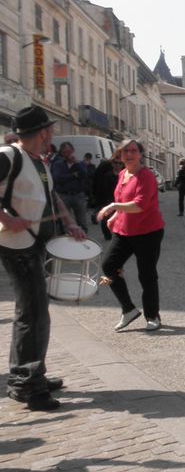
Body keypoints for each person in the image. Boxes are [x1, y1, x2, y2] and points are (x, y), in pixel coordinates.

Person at [1, 106, 86, 412]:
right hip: (17, 246)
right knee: (33, 313)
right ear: (40, 132)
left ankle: (30, 374)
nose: (52, 134)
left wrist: (70, 222)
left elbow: (52, 197)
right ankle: (28, 386)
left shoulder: (39, 161)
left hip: (34, 244)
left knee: (34, 311)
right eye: (48, 130)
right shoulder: (9, 156)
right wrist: (6, 219)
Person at [97, 139, 166, 332]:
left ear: (140, 154)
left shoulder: (146, 176)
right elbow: (123, 201)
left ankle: (152, 316)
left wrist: (113, 207)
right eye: (125, 151)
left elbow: (139, 205)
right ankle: (128, 309)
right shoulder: (122, 174)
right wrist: (116, 216)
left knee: (147, 275)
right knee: (108, 266)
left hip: (148, 232)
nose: (129, 154)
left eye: (134, 150)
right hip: (124, 231)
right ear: (120, 155)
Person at [50, 141, 90, 229]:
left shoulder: (80, 164)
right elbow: (58, 178)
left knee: (82, 221)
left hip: (78, 195)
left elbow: (84, 175)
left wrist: (76, 163)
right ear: (62, 153)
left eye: (69, 151)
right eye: (64, 152)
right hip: (64, 195)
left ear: (73, 151)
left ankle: (83, 239)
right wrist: (74, 175)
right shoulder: (58, 164)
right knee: (65, 223)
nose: (67, 154)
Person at [91, 156, 120, 241]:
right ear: (112, 164)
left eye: (119, 163)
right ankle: (107, 235)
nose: (117, 165)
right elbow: (102, 188)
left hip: (120, 201)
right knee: (105, 220)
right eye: (115, 163)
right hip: (108, 200)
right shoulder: (107, 175)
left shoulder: (124, 175)